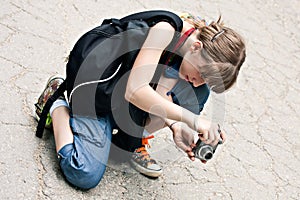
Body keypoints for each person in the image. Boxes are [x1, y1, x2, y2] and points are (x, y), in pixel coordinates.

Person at [35, 11, 246, 189]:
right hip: (95, 89)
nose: (199, 82)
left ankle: (126, 141)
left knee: (198, 93)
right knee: (83, 173)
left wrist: (176, 126)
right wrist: (193, 119)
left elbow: (162, 91)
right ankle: (55, 102)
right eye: (202, 73)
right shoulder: (166, 29)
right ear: (197, 47)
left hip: (122, 94)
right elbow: (135, 91)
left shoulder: (190, 46)